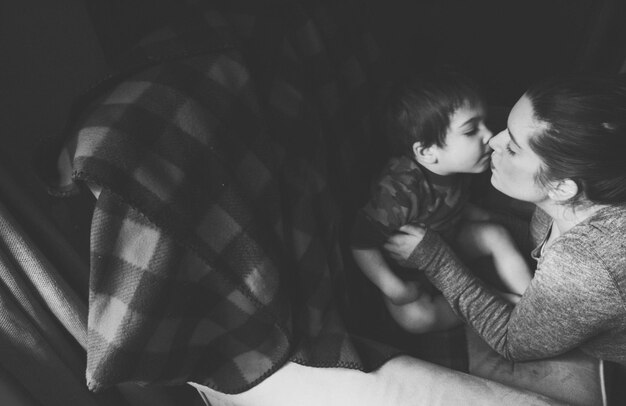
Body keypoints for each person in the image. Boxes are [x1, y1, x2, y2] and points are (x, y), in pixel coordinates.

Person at [384, 73, 626, 364]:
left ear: (561, 187)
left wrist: (435, 259)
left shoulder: (587, 264)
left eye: (512, 147)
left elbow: (512, 343)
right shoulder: (572, 197)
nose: (494, 141)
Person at [351, 70, 533, 334]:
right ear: (427, 152)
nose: (489, 136)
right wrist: (394, 287)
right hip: (407, 270)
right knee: (417, 320)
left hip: (449, 240)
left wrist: (476, 214)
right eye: (471, 130)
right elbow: (360, 243)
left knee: (496, 234)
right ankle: (498, 299)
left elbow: (447, 204)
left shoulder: (460, 168)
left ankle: (530, 303)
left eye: (484, 124)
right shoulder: (399, 191)